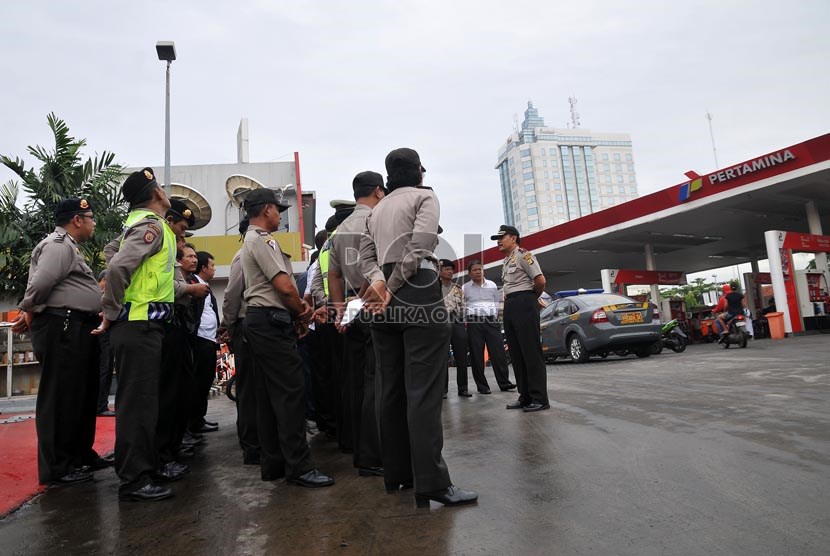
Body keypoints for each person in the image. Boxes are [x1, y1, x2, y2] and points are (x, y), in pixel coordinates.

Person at [360, 147, 477, 508]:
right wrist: (393, 286)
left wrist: (380, 285)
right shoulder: (425, 197)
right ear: (419, 173)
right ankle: (431, 481)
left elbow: (365, 257)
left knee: (390, 389)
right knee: (423, 392)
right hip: (418, 293)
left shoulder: (374, 211)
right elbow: (421, 245)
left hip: (382, 301)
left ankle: (398, 476)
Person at [13, 198, 111, 485]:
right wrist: (27, 308)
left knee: (80, 395)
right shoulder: (57, 245)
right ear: (77, 220)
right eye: (91, 217)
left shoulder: (69, 246)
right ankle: (58, 466)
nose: (94, 223)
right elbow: (42, 283)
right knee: (60, 397)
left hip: (77, 326)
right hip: (61, 326)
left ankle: (80, 454)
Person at [240, 188, 334, 487]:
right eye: (278, 209)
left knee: (268, 397)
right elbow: (284, 287)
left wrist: (301, 311)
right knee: (291, 394)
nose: (280, 215)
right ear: (266, 209)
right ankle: (300, 467)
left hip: (261, 321)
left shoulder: (251, 239)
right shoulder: (263, 240)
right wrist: (304, 313)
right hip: (270, 322)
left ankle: (275, 463)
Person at [95, 167, 177, 502]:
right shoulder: (150, 225)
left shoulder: (139, 224)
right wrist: (111, 311)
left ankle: (146, 466)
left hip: (145, 326)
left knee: (145, 404)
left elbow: (110, 252)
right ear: (157, 192)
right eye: (162, 187)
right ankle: (134, 479)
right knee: (137, 406)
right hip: (137, 324)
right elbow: (116, 267)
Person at [328, 171, 386, 477]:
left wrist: (341, 310)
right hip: (374, 305)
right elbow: (373, 269)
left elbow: (333, 275)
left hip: (353, 310)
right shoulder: (375, 220)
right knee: (375, 383)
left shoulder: (340, 230)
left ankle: (353, 445)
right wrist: (359, 303)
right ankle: (372, 456)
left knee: (353, 382)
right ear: (378, 192)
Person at [491, 225, 549, 412]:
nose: (498, 241)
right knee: (516, 353)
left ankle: (540, 398)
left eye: (502, 237)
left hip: (525, 302)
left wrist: (530, 298)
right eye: (497, 239)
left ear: (514, 238)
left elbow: (540, 281)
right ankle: (525, 396)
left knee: (531, 352)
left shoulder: (524, 255)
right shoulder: (507, 260)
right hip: (511, 305)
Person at [220, 217, 261, 464]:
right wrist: (229, 323)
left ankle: (258, 440)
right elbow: (232, 293)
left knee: (257, 387)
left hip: (251, 326)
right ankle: (251, 445)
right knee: (248, 388)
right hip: (245, 326)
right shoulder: (242, 255)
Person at [462, 260, 515, 394]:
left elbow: (496, 303)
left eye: (480, 269)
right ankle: (482, 387)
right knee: (477, 355)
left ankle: (504, 383)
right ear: (469, 273)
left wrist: (494, 317)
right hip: (474, 323)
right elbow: (462, 306)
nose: (478, 272)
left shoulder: (491, 285)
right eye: (475, 270)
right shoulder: (465, 288)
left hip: (491, 322)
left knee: (499, 353)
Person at [188, 250, 220, 434]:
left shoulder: (203, 286)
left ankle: (199, 419)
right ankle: (194, 422)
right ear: (204, 267)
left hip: (209, 338)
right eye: (212, 265)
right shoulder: (194, 286)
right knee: (198, 382)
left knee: (205, 381)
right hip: (200, 339)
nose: (214, 269)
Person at [437, 259, 472, 398]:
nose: (450, 271)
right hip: (440, 322)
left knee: (462, 357)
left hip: (457, 322)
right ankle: (442, 390)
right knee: (442, 358)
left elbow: (464, 307)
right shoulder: (433, 287)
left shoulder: (458, 288)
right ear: (439, 271)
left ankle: (463, 388)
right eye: (446, 269)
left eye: (451, 269)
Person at [95, 270, 116, 417]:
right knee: (105, 369)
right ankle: (101, 405)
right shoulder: (100, 295)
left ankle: (101, 404)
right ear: (103, 280)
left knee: (105, 369)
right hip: (103, 336)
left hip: (102, 336)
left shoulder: (94, 293)